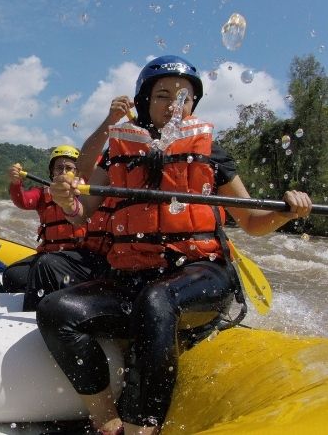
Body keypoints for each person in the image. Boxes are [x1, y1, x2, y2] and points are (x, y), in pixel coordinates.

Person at [36, 55, 313, 435]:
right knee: (56, 309)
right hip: (136, 278)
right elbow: (82, 212)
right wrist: (68, 202)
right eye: (163, 95)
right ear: (146, 102)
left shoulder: (210, 153)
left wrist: (286, 212)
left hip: (201, 275)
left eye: (183, 97)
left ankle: (142, 427)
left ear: (193, 105)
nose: (173, 105)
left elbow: (252, 222)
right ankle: (106, 418)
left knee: (157, 299)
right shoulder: (118, 152)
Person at [2, 145, 111, 303]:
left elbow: (102, 170)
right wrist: (15, 183)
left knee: (46, 265)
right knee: (12, 275)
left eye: (69, 168)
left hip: (80, 257)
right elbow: (23, 201)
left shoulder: (89, 192)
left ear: (78, 171)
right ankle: (49, 289)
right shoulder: (42, 194)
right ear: (52, 172)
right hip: (50, 255)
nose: (64, 171)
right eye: (59, 168)